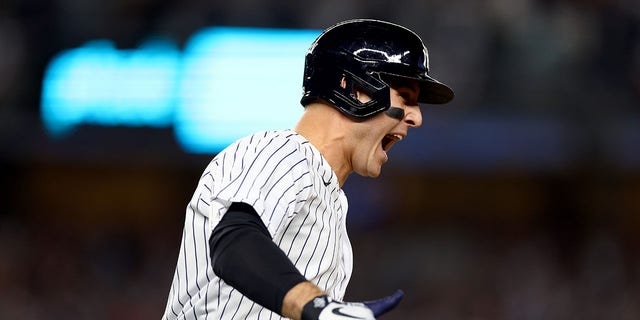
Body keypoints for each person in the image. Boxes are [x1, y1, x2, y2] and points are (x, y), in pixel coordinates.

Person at [162, 18, 454, 320]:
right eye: (405, 97)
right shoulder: (283, 151)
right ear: (353, 89)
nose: (416, 118)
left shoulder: (331, 202)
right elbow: (234, 242)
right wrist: (318, 306)